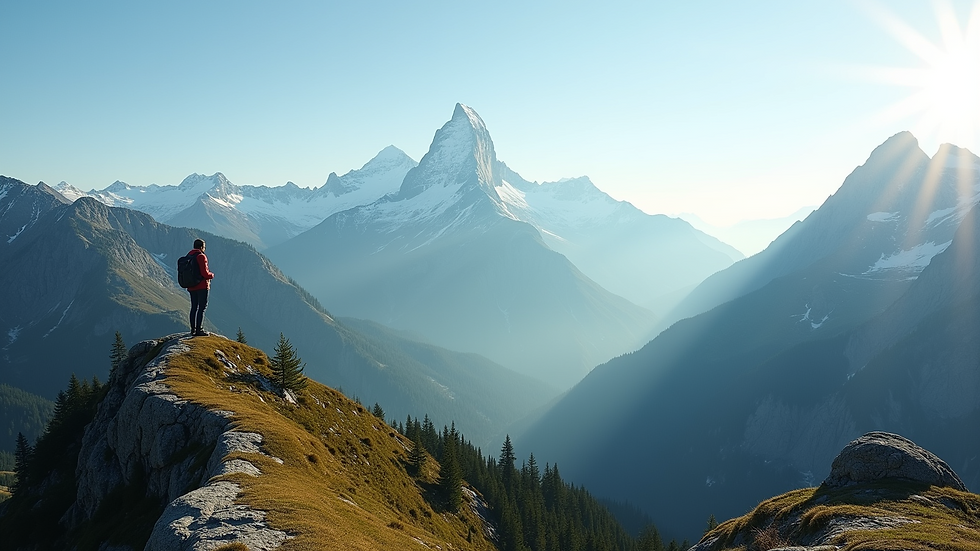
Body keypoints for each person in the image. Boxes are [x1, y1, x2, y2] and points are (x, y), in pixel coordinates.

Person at [186, 238, 215, 336]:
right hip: (202, 286)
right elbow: (204, 273)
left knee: (194, 307)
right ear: (202, 247)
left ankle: (193, 329)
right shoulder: (201, 256)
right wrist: (212, 275)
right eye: (204, 247)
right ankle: (199, 329)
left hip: (191, 285)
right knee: (202, 307)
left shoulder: (189, 255)